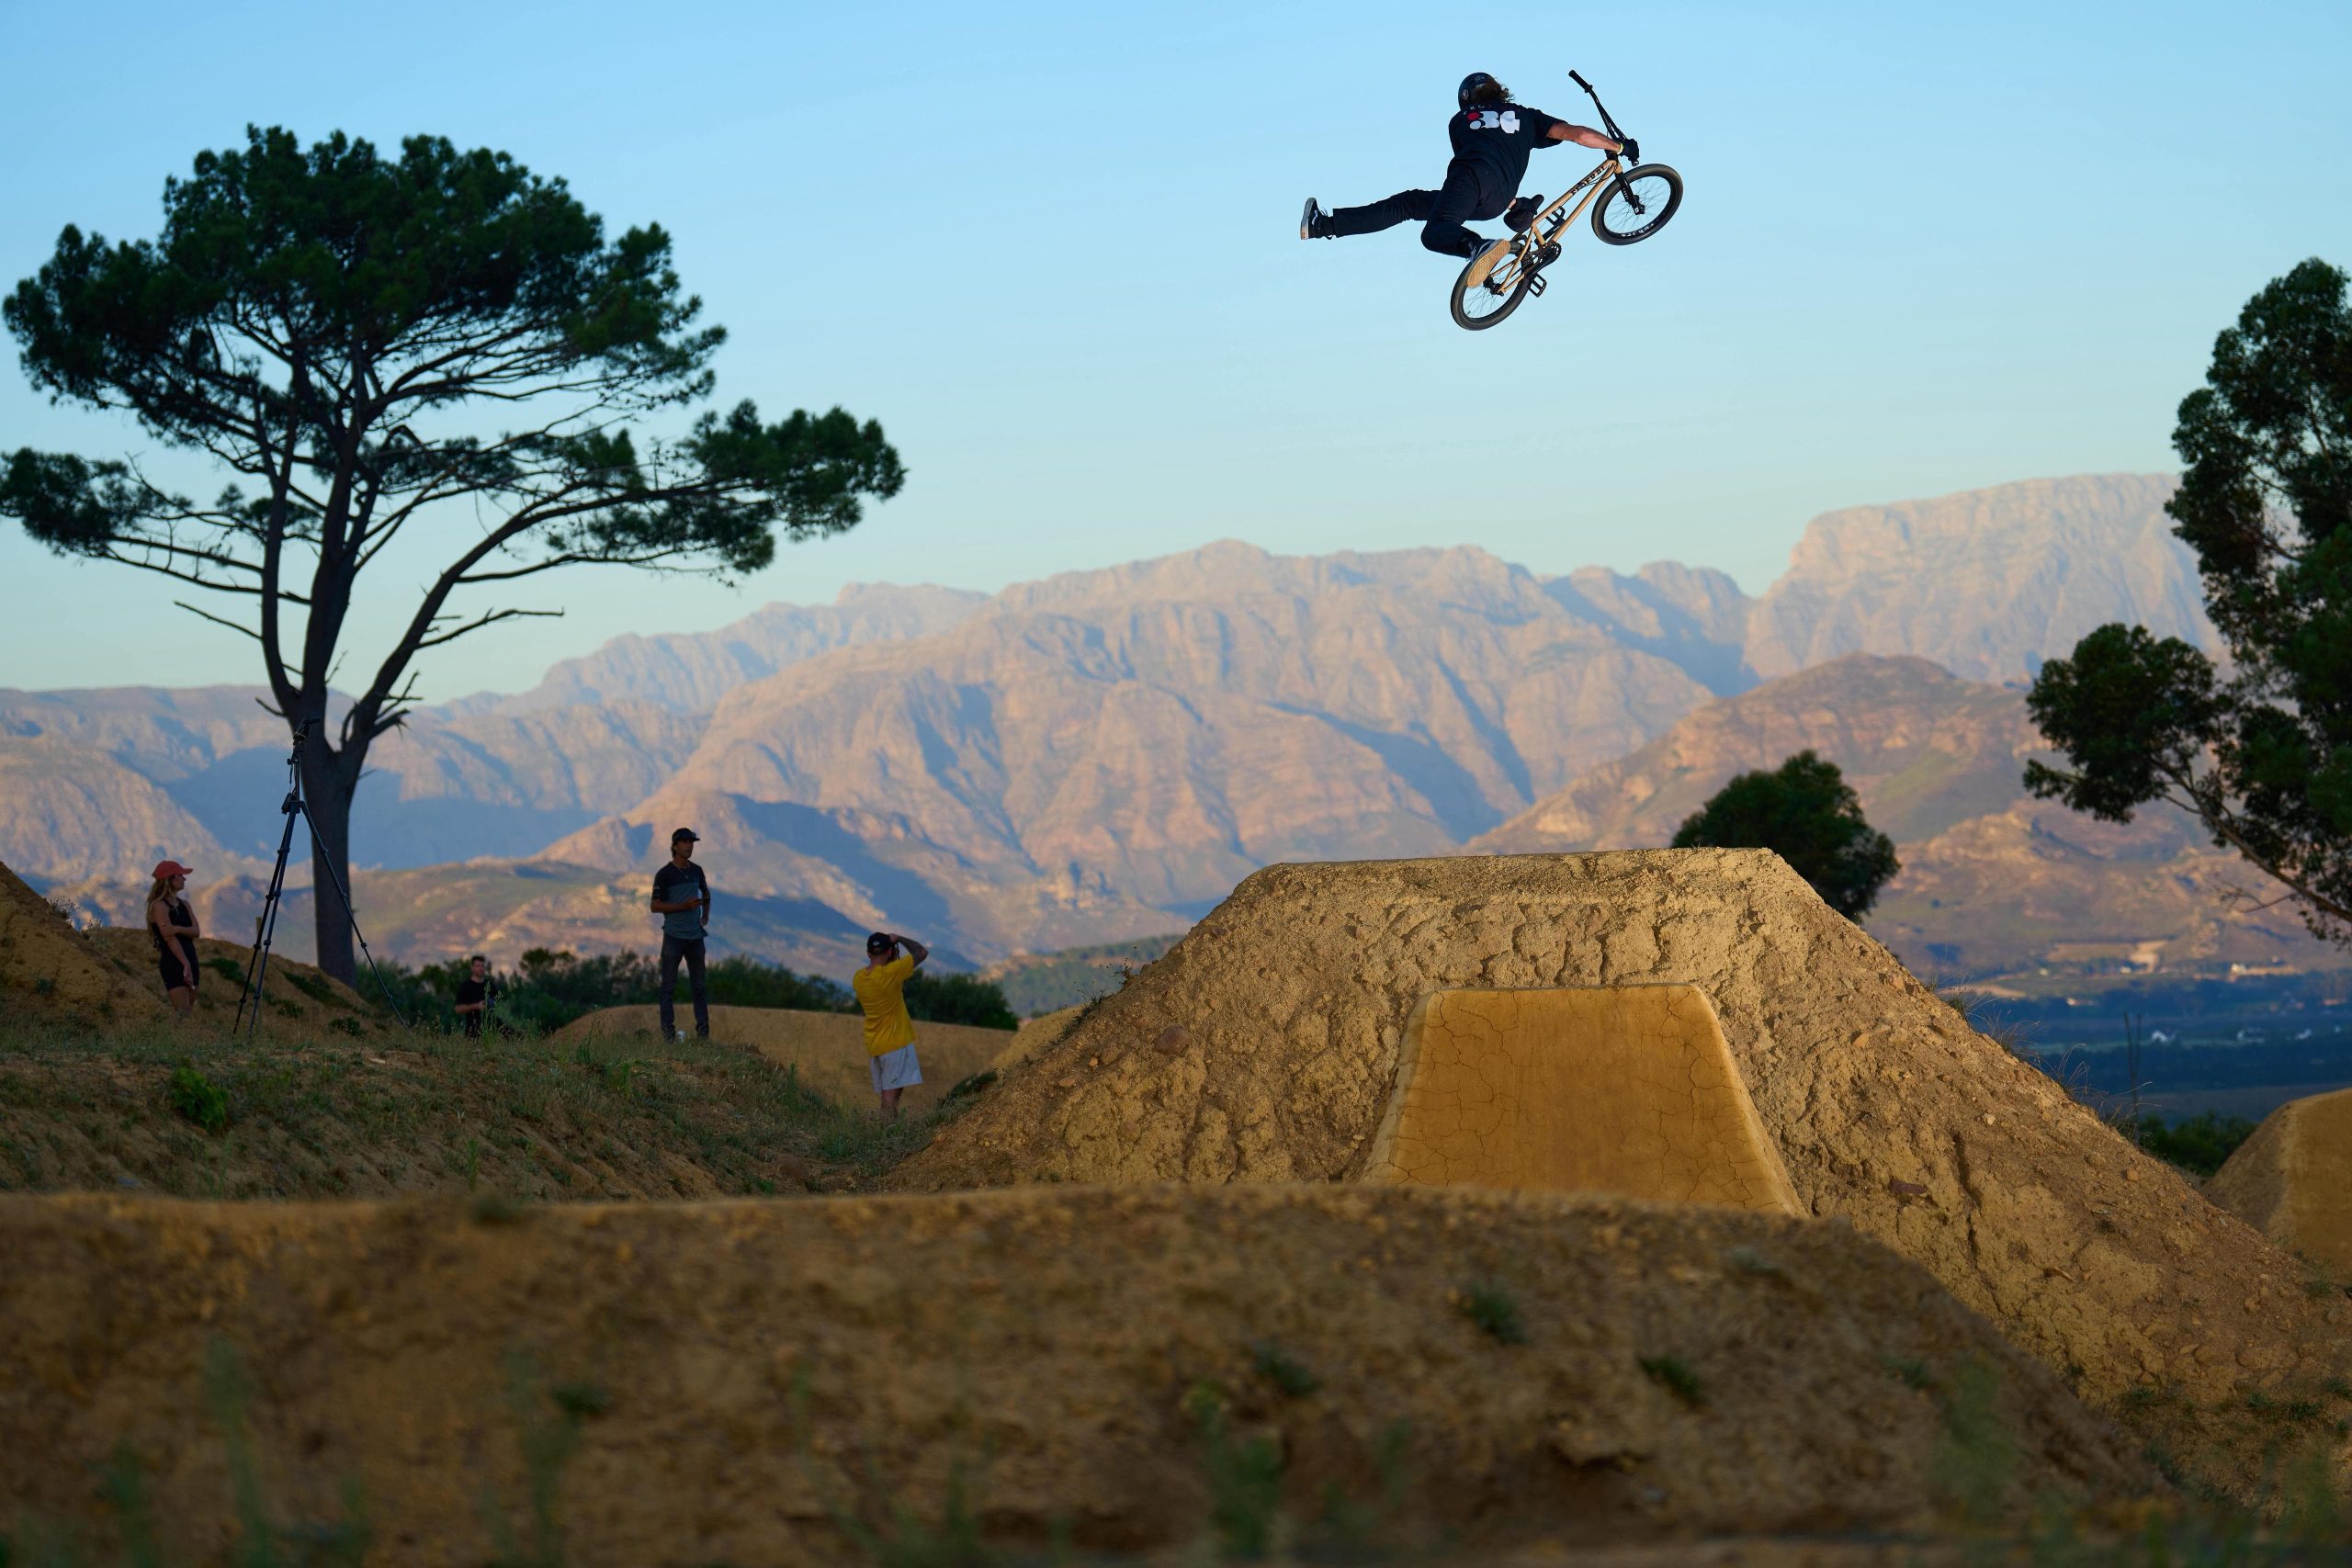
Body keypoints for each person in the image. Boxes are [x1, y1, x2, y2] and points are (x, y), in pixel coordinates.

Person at [1299, 72, 1627, 285]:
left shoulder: (1460, 120)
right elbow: (1576, 134)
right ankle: (1323, 225)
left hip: (1470, 182)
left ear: (1467, 99)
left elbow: (1480, 161)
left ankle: (1477, 246)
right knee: (1412, 203)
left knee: (1433, 230)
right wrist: (1617, 146)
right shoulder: (1527, 117)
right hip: (1496, 201)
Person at [852, 931, 928, 1119]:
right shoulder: (891, 973)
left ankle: (888, 1128)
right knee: (890, 1097)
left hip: (875, 1043)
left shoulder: (858, 978)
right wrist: (898, 938)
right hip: (895, 1043)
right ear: (889, 952)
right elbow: (921, 952)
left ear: (868, 953)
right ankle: (886, 1131)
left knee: (890, 1093)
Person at [649, 828, 712, 1041]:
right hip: (674, 937)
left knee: (699, 986)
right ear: (674, 846)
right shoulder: (664, 874)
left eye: (691, 842)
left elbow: (706, 892)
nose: (689, 846)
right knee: (668, 986)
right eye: (685, 842)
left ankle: (703, 1033)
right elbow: (655, 906)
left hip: (695, 937)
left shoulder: (697, 871)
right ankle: (668, 1034)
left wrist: (705, 915)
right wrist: (684, 906)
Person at [146, 859, 201, 1020]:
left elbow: (196, 931)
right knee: (183, 1014)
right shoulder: (159, 906)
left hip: (191, 959)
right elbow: (169, 938)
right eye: (180, 875)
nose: (184, 879)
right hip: (174, 962)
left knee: (188, 1014)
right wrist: (185, 964)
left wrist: (176, 928)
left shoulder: (185, 904)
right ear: (169, 879)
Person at [453, 954, 492, 1039]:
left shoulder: (489, 985)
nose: (481, 968)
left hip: (491, 1028)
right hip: (473, 1031)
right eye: (478, 966)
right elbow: (457, 1009)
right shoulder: (466, 986)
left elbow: (499, 1002)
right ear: (472, 968)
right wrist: (476, 1006)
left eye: (482, 966)